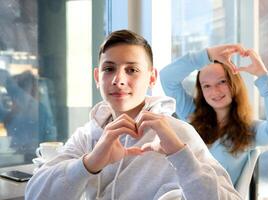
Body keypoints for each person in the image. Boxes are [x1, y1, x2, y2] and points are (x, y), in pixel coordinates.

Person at [25, 30, 242, 200]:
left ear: (152, 77)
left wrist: (179, 154)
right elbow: (34, 195)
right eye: (109, 69)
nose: (118, 79)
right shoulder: (88, 135)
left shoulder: (176, 133)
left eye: (132, 70)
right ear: (97, 77)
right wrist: (89, 163)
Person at [160, 45, 268, 186]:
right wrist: (207, 55)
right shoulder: (191, 113)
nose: (215, 91)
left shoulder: (249, 130)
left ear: (234, 84)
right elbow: (167, 78)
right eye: (206, 86)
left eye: (222, 82)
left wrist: (263, 77)